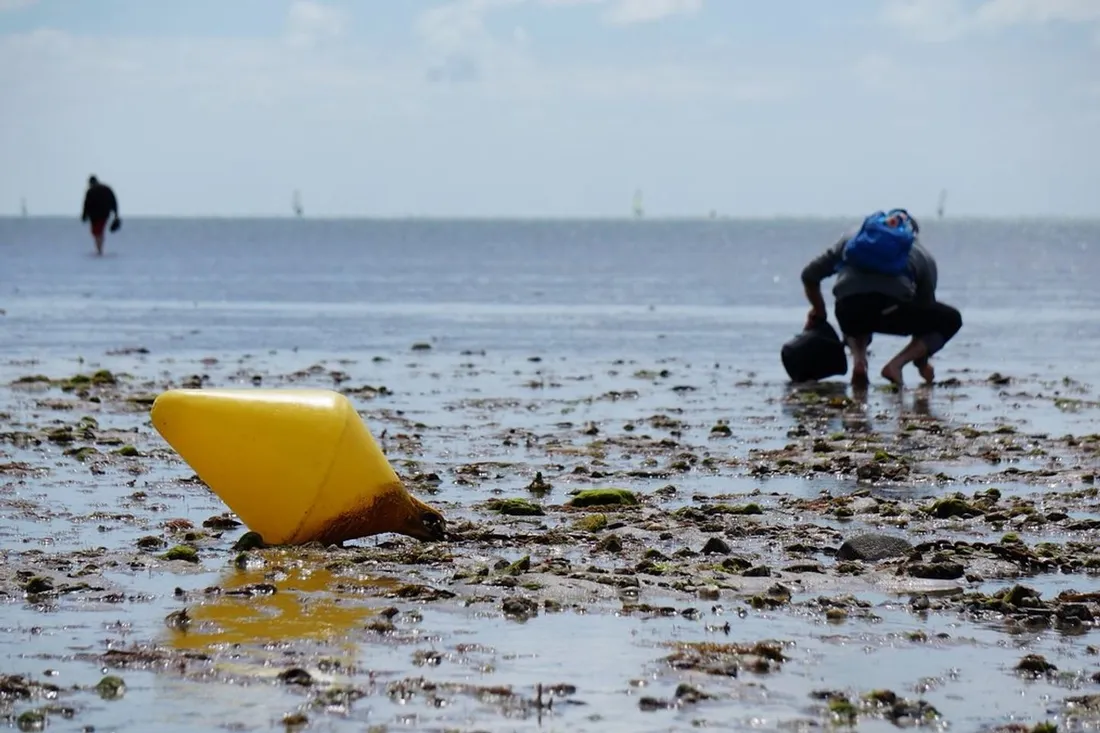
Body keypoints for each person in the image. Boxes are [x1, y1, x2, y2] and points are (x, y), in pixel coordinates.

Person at [800, 209, 962, 388]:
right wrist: (921, 363)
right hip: (891, 312)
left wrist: (819, 311)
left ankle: (859, 362)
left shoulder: (852, 239)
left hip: (847, 312)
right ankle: (896, 365)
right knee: (950, 319)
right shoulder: (920, 252)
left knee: (854, 303)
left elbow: (809, 275)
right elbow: (926, 313)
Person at [81, 175, 121, 256]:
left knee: (97, 232)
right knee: (98, 232)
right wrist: (116, 214)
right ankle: (99, 249)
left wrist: (84, 215)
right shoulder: (106, 189)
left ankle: (99, 250)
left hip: (95, 216)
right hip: (104, 214)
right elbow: (113, 201)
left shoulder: (90, 191)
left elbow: (86, 204)